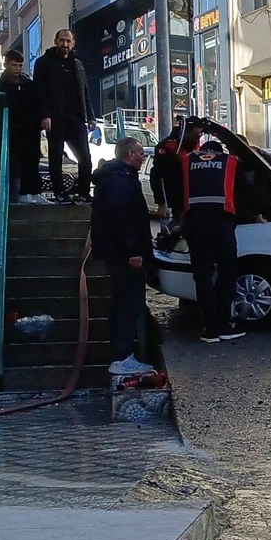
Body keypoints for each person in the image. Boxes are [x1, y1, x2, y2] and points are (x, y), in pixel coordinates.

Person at [91, 137, 156, 375]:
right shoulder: (120, 180)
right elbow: (120, 219)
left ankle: (123, 354)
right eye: (140, 153)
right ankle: (122, 357)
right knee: (127, 304)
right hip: (125, 256)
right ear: (129, 155)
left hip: (119, 253)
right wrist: (133, 251)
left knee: (124, 303)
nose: (142, 157)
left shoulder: (115, 177)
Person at [177, 140, 246, 343]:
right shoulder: (231, 161)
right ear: (219, 151)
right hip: (221, 223)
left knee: (202, 275)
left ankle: (209, 328)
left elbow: (175, 188)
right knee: (227, 272)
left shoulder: (188, 162)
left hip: (194, 223)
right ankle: (225, 325)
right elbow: (243, 191)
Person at [35, 29, 97, 204]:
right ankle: (59, 193)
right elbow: (40, 91)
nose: (65, 44)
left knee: (85, 157)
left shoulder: (77, 64)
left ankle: (84, 192)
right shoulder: (43, 63)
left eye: (68, 41)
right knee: (56, 157)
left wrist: (91, 116)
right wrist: (45, 115)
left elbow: (84, 91)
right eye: (62, 40)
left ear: (73, 43)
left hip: (76, 118)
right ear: (55, 41)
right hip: (55, 118)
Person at [0, 50, 45, 205]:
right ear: (6, 64)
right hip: (13, 129)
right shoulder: (2, 85)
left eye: (20, 65)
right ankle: (19, 194)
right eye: (14, 65)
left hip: (30, 129)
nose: (17, 68)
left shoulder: (28, 84)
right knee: (16, 163)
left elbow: (38, 103)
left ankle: (34, 192)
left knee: (33, 160)